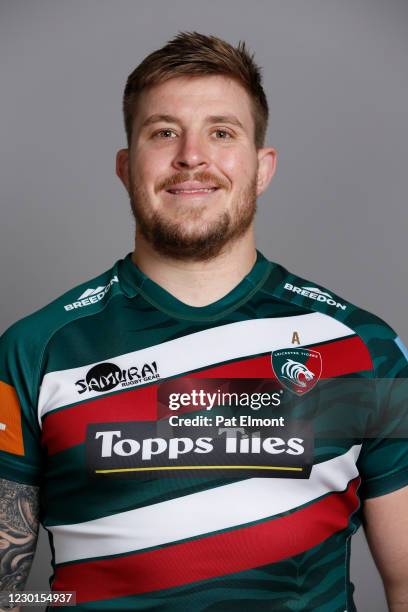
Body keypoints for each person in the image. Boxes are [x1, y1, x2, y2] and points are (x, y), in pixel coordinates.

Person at [0, 31, 407, 612]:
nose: (192, 156)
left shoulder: (364, 350)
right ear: (125, 166)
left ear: (262, 167)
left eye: (222, 132)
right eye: (163, 132)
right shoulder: (34, 350)